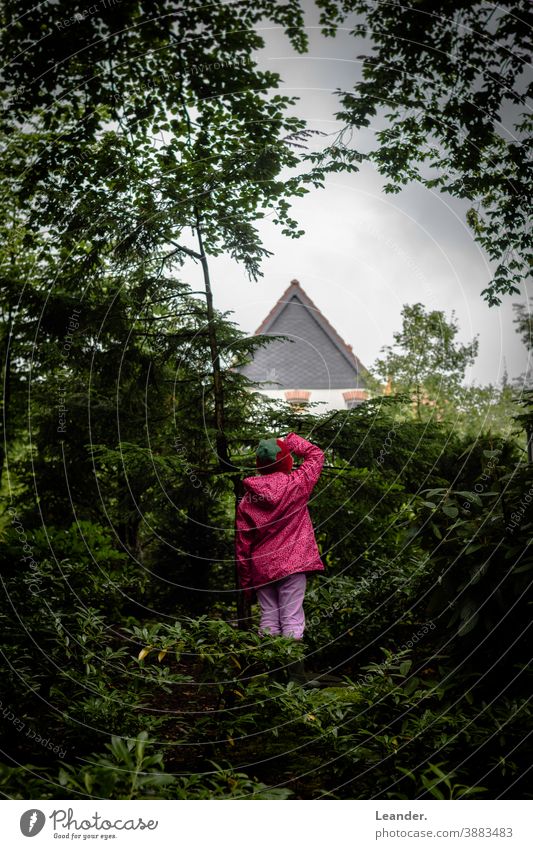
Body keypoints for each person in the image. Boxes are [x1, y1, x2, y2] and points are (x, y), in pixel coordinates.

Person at [235, 431, 326, 686]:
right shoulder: (297, 483)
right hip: (293, 564)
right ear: (286, 461)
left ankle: (273, 680)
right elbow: (316, 454)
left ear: (259, 465)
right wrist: (292, 440)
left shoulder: (247, 499)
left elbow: (242, 545)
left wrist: (247, 584)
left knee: (269, 618)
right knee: (292, 618)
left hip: (262, 569)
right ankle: (296, 680)